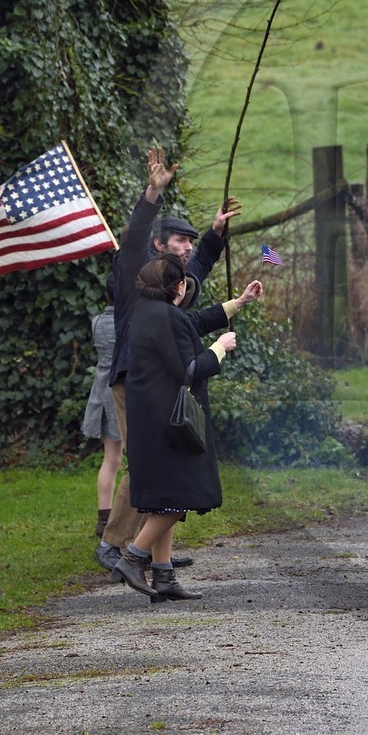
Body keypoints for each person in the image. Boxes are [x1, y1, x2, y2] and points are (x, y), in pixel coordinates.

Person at [95, 146, 242, 576]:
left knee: (157, 461)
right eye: (181, 242)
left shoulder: (169, 283)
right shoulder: (135, 276)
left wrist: (215, 235)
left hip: (162, 382)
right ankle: (117, 545)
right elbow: (135, 237)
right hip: (134, 380)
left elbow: (195, 274)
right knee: (145, 462)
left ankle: (156, 554)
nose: (186, 251)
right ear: (157, 246)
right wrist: (152, 193)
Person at [112, 254, 263, 602]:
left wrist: (237, 303)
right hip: (170, 425)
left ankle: (163, 577)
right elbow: (191, 369)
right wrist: (219, 348)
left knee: (164, 501)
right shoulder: (164, 318)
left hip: (151, 421)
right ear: (179, 287)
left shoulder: (148, 313)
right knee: (181, 497)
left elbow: (189, 322)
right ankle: (133, 558)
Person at [81, 304, 120, 540]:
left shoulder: (97, 321)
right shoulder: (128, 320)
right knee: (133, 461)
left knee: (111, 458)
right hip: (122, 389)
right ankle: (129, 521)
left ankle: (104, 519)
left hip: (102, 389)